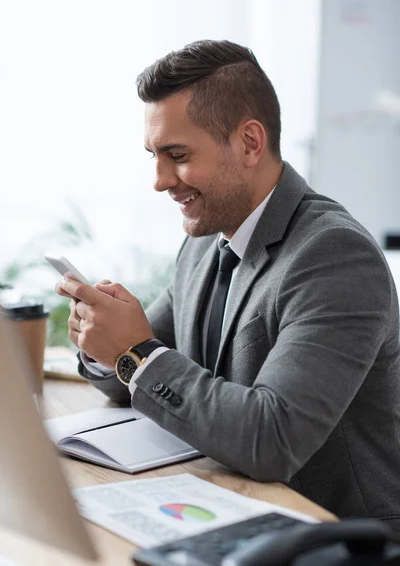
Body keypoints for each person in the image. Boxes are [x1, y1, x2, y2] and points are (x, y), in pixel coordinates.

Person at [56, 39, 400, 530]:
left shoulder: (336, 257)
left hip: (333, 538)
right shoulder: (204, 241)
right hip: (233, 509)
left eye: (176, 154)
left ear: (250, 143)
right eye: (154, 155)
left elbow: (271, 440)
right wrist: (103, 343)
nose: (159, 180)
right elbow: (138, 371)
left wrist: (133, 351)